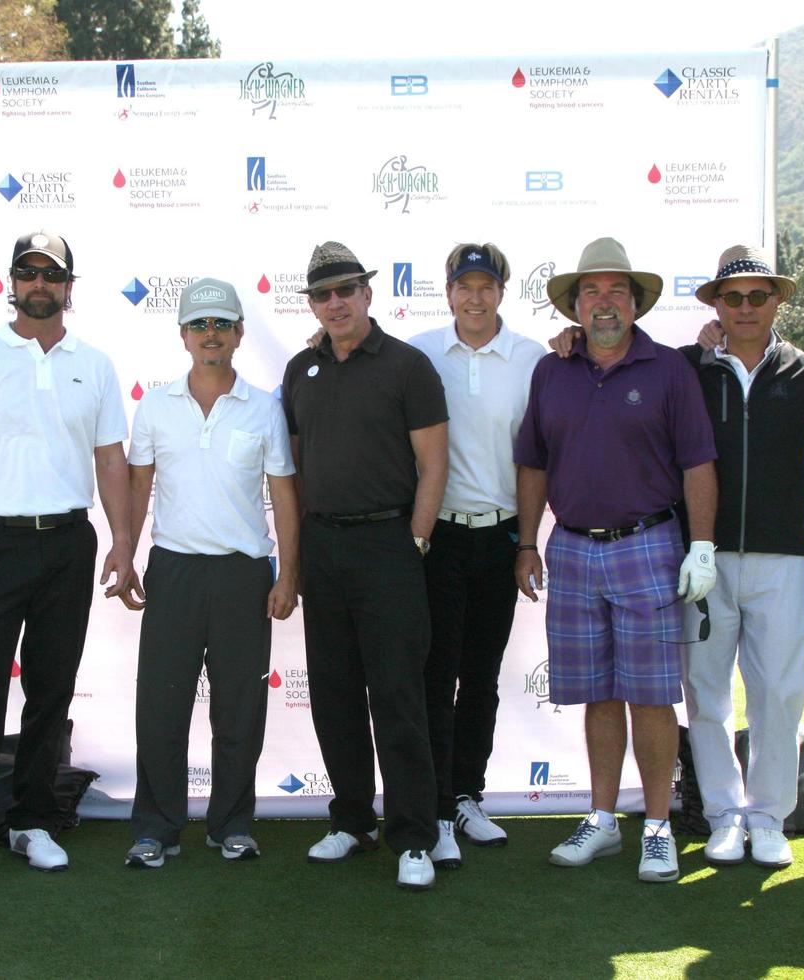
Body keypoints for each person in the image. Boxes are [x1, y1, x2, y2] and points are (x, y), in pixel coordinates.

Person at [0, 230, 136, 890]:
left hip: (69, 542)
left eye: (52, 274)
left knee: (51, 688)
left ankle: (33, 820)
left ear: (70, 285)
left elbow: (109, 459)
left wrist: (124, 541)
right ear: (10, 283)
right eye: (28, 272)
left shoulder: (93, 364)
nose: (39, 284)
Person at [514, 237, 717, 884]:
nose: (605, 303)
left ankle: (656, 827)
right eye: (592, 292)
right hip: (571, 546)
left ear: (635, 303)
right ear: (575, 307)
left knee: (651, 696)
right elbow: (533, 463)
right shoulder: (553, 370)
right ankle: (602, 820)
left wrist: (703, 545)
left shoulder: (668, 370)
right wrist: (525, 542)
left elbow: (697, 464)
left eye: (616, 291)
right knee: (597, 693)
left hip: (648, 543)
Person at [281, 241, 448, 891]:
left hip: (389, 545)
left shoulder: (407, 367)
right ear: (313, 304)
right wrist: (292, 565)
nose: (335, 303)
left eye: (345, 290)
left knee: (399, 695)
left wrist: (416, 540)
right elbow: (291, 471)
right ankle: (351, 820)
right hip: (323, 547)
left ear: (368, 294)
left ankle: (413, 835)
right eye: (323, 294)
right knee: (335, 693)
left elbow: (434, 465)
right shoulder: (301, 370)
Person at [119, 277, 299, 869]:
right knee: (161, 708)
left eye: (222, 324)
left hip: (244, 575)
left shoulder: (265, 407)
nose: (211, 335)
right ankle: (156, 828)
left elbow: (284, 494)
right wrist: (125, 550)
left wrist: (288, 573)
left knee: (240, 710)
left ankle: (232, 825)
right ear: (183, 336)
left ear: (240, 333)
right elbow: (139, 485)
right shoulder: (155, 406)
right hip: (172, 571)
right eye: (200, 325)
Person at [677, 245, 804, 869]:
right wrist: (570, 339)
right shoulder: (687, 367)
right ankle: (722, 813)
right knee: (707, 692)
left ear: (777, 302)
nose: (745, 307)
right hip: (704, 555)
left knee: (779, 691)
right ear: (715, 303)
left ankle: (768, 815)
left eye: (757, 296)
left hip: (783, 557)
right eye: (732, 297)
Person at [406, 243, 545, 867]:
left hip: (500, 536)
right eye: (465, 285)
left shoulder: (532, 359)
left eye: (487, 285)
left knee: (481, 676)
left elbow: (536, 458)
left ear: (502, 292)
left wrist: (526, 543)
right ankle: (434, 808)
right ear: (448, 290)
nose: (475, 296)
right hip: (436, 539)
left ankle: (467, 795)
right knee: (436, 676)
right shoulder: (421, 352)